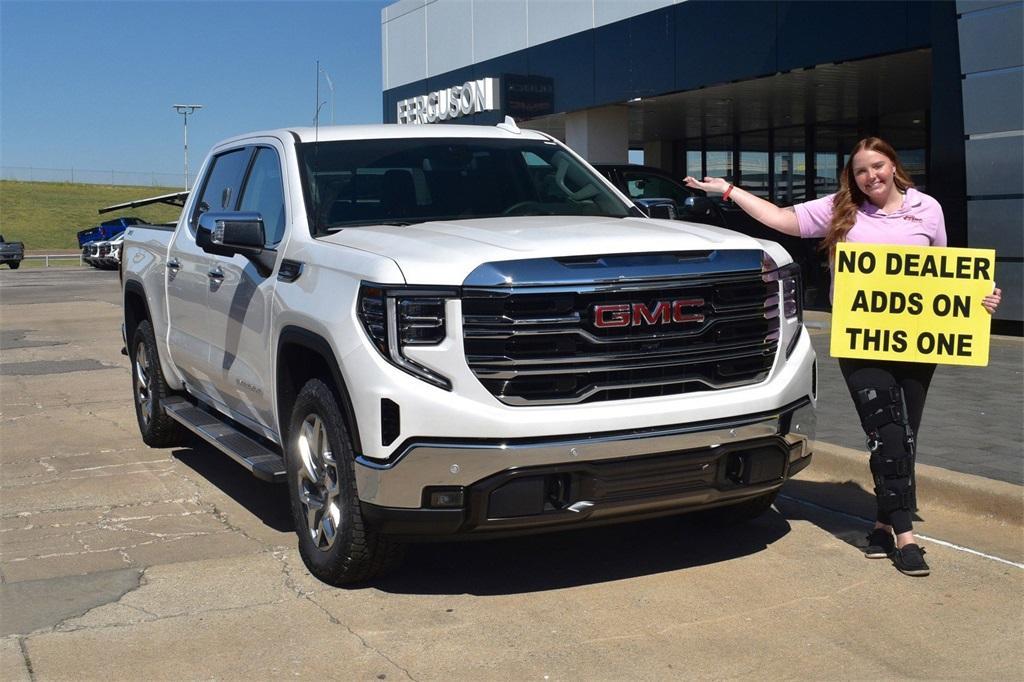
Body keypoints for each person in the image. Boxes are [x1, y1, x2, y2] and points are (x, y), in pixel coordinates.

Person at [685, 137, 1002, 577]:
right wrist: (728, 191)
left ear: (894, 166)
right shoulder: (841, 207)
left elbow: (944, 271)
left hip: (917, 343)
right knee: (886, 428)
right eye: (860, 171)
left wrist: (978, 301)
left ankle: (880, 525)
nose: (870, 176)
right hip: (862, 341)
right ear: (852, 177)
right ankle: (907, 536)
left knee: (903, 436)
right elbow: (780, 219)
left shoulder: (927, 208)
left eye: (877, 166)